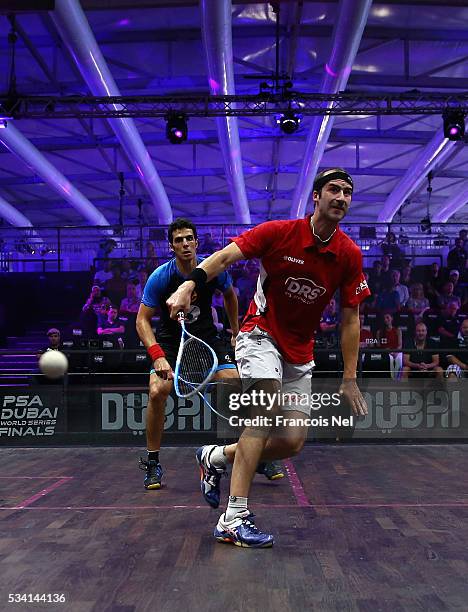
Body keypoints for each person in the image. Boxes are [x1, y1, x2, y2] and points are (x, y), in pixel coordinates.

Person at [166, 168, 370, 548]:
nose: (341, 197)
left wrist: (349, 377)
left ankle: (214, 457)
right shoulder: (278, 233)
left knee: (292, 441)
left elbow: (350, 317)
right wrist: (189, 284)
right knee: (264, 410)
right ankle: (234, 517)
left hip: (300, 352)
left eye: (347, 192)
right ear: (316, 197)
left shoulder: (348, 255)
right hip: (259, 335)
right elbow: (224, 257)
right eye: (333, 190)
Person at [135, 218, 283, 492]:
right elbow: (141, 321)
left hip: (206, 338)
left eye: (189, 238)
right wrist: (157, 354)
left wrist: (235, 331)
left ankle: (254, 451)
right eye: (179, 240)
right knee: (157, 390)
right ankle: (153, 462)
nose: (185, 244)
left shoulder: (209, 270)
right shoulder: (161, 277)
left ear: (196, 242)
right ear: (171, 246)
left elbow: (230, 295)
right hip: (170, 342)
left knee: (238, 384)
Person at [376, 312, 403, 379]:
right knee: (389, 359)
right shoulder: (379, 332)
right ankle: (392, 379)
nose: (385, 320)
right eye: (384, 318)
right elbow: (378, 345)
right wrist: (386, 351)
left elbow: (400, 345)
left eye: (387, 317)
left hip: (396, 351)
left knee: (399, 358)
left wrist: (396, 352)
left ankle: (398, 379)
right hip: (385, 352)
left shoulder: (398, 330)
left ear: (392, 318)